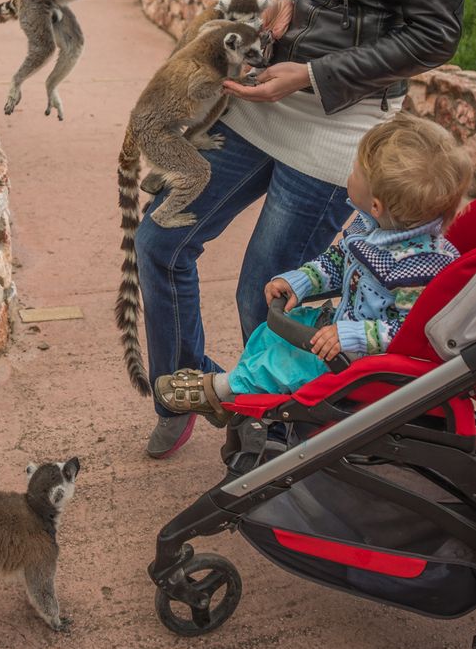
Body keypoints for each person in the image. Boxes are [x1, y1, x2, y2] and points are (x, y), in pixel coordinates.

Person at [136, 0, 470, 458]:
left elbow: (435, 35)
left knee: (268, 294)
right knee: (159, 241)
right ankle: (189, 385)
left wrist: (316, 74)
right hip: (264, 96)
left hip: (336, 120)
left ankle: (274, 447)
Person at [152, 112, 473, 422]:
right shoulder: (374, 228)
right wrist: (301, 281)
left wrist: (352, 335)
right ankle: (236, 390)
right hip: (339, 324)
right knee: (270, 332)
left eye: (356, 171)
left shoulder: (419, 267)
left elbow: (409, 329)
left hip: (363, 356)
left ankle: (221, 391)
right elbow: (338, 261)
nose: (350, 173)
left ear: (376, 203)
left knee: (283, 363)